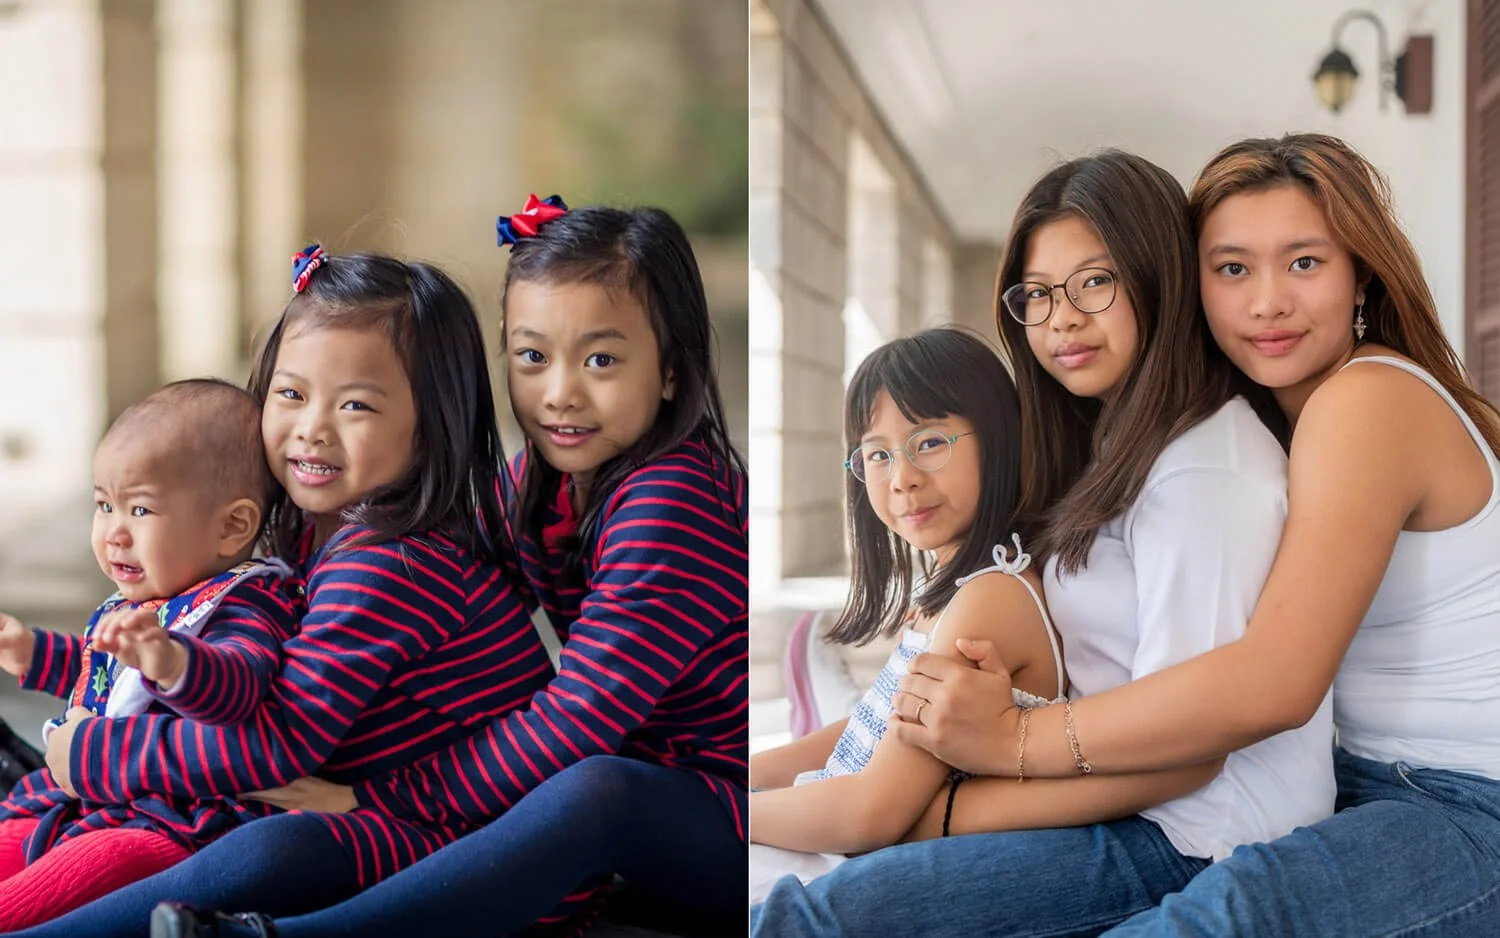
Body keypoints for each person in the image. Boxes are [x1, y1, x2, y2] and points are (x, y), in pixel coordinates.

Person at [881, 133, 1500, 936]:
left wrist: (1014, 739)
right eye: (1232, 268)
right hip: (1365, 787)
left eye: (1304, 263)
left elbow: (1275, 682)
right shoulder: (1273, 423)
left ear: (1361, 276)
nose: (1266, 301)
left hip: (1463, 804)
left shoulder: (1367, 400)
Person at [750, 150, 1337, 935]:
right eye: (1036, 295)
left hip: (1194, 834)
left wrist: (956, 802)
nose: (1061, 319)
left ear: (1158, 276)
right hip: (1110, 788)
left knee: (818, 917)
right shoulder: (1116, 443)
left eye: (1095, 283)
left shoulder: (1205, 469)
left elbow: (1193, 752)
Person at [150, 198, 749, 938]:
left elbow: (579, 719)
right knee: (297, 836)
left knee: (596, 789)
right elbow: (445, 556)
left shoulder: (673, 501)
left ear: (669, 372)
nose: (559, 391)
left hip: (725, 813)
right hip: (645, 785)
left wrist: (382, 798)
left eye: (600, 359)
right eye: (532, 356)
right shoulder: (547, 475)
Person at [12, 245, 557, 938]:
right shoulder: (317, 530)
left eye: (355, 404)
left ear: (430, 427)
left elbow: (281, 740)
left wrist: (98, 757)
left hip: (468, 853)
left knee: (266, 848)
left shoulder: (388, 563)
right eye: (291, 394)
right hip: (353, 801)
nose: (312, 428)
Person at [747, 327, 1066, 903]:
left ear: (999, 440)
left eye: (930, 442)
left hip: (865, 868)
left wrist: (732, 811)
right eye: (878, 454)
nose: (902, 478)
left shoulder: (990, 600)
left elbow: (871, 814)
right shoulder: (955, 588)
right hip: (843, 831)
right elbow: (878, 730)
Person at [0, 379, 298, 928]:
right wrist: (33, 653)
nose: (114, 532)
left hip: (166, 825)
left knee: (44, 892)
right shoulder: (150, 598)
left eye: (139, 509)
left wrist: (176, 664)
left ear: (232, 526)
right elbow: (109, 680)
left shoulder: (247, 604)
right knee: (11, 839)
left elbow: (240, 682)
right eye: (103, 504)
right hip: (87, 801)